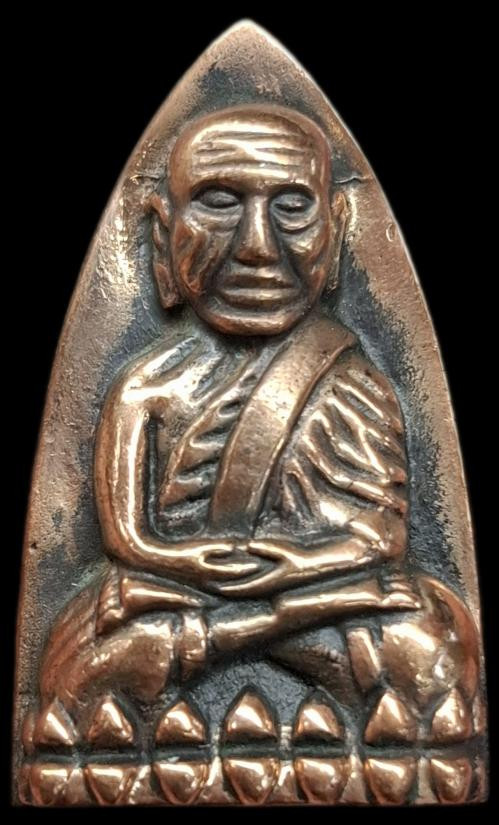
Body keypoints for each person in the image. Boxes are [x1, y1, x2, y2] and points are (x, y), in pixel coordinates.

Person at [32, 105, 479, 755]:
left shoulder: (351, 379)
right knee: (77, 659)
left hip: (307, 601)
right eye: (218, 203)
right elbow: (127, 542)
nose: (257, 247)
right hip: (195, 596)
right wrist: (191, 564)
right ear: (163, 232)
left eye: (292, 208)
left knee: (433, 646)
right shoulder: (145, 387)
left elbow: (381, 539)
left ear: (335, 229)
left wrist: (298, 566)